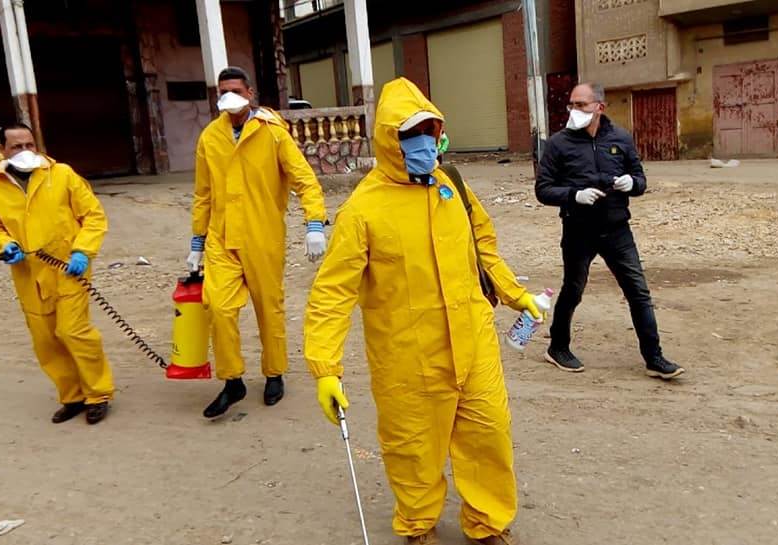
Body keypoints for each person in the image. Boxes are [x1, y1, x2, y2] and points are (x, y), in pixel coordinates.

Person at [304, 77, 539, 545]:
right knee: (413, 447)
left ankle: (488, 524)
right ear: (390, 140)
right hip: (408, 356)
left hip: (473, 342)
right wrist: (325, 368)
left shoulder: (451, 186)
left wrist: (516, 295)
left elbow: (483, 246)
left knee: (488, 436)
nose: (423, 143)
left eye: (429, 132)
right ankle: (417, 525)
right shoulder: (362, 211)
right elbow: (332, 293)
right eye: (410, 134)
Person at [189, 66, 327, 418]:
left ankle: (274, 373)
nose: (228, 97)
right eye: (222, 91)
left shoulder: (273, 133)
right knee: (218, 307)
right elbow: (203, 193)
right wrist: (197, 242)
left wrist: (314, 223)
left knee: (269, 309)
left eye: (235, 90)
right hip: (222, 238)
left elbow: (305, 180)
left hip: (262, 236)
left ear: (249, 93)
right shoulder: (210, 137)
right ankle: (232, 380)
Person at [534, 82, 685, 379]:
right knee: (573, 289)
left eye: (581, 105)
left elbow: (640, 180)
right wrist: (574, 195)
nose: (574, 110)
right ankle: (558, 347)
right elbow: (543, 189)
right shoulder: (558, 144)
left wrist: (633, 184)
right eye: (571, 104)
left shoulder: (620, 138)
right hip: (578, 230)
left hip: (617, 230)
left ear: (599, 107)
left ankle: (654, 358)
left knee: (638, 292)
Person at [0, 123, 114, 424]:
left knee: (73, 331)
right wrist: (3, 245)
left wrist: (83, 250)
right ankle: (72, 396)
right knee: (46, 340)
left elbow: (93, 216)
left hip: (68, 268)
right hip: (28, 273)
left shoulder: (61, 175)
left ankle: (98, 394)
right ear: (1, 150)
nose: (25, 151)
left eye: (29, 144)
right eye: (17, 146)